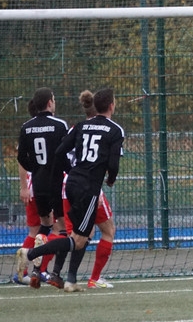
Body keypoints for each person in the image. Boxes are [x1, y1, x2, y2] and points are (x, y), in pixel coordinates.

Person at [25, 88, 124, 292]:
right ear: (112, 106)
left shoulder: (80, 126)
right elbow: (113, 165)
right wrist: (110, 179)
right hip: (88, 188)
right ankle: (32, 255)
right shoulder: (115, 130)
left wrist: (73, 172)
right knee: (78, 240)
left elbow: (60, 151)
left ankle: (70, 280)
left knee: (80, 236)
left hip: (70, 184)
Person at [14, 89, 69, 288]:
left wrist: (35, 168)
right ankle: (51, 271)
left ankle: (36, 269)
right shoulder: (60, 125)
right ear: (49, 103)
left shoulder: (26, 127)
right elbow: (66, 152)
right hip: (56, 183)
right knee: (63, 230)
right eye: (54, 99)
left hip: (37, 184)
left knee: (44, 226)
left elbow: (21, 158)